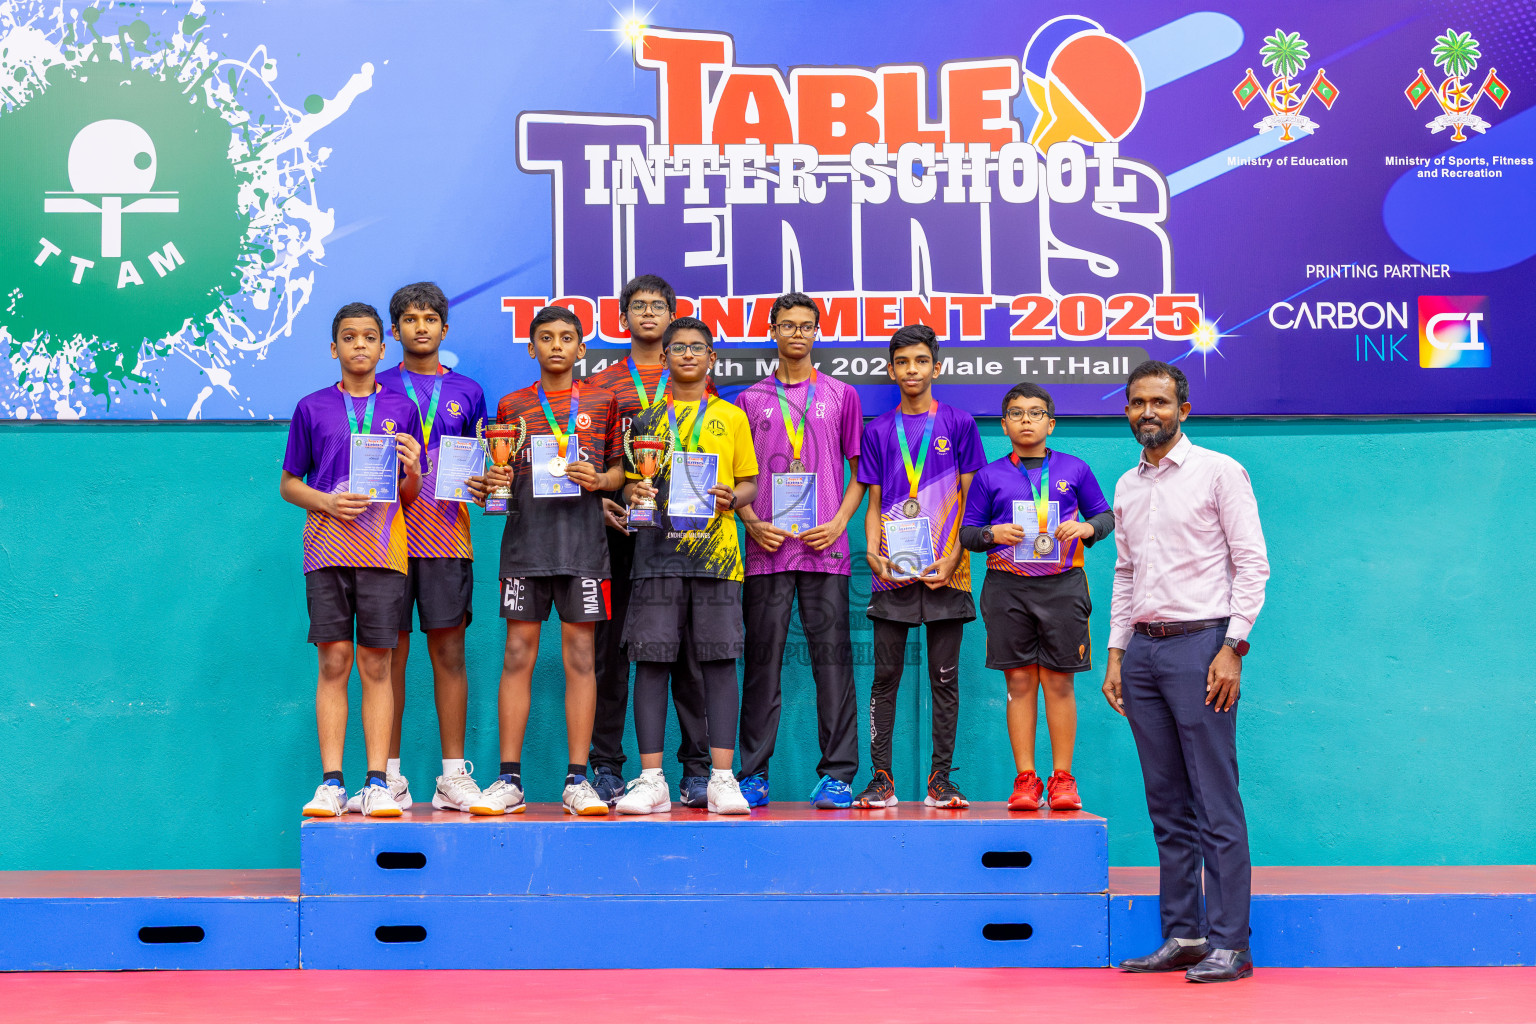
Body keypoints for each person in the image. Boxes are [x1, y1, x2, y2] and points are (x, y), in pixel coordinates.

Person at [1104, 360, 1269, 983]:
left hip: (1203, 646)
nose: (1149, 412)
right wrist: (1117, 654)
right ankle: (1187, 933)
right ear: (1127, 410)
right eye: (1138, 402)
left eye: (1161, 402)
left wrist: (1234, 647)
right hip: (1143, 654)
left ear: (1184, 409)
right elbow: (1124, 575)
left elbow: (1252, 563)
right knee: (1166, 803)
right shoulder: (1127, 484)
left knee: (1213, 801)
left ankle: (1232, 943)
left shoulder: (1218, 472)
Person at [467, 306, 624, 817]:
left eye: (567, 338)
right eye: (545, 338)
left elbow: (622, 469)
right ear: (531, 348)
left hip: (583, 548)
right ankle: (509, 779)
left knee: (581, 658)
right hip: (525, 547)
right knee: (518, 655)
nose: (557, 345)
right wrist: (491, 481)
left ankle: (578, 779)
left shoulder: (604, 401)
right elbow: (500, 471)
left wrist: (601, 481)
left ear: (582, 349)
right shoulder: (512, 405)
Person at [282, 302, 423, 818]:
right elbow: (289, 484)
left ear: (383, 348)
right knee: (335, 660)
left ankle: (378, 782)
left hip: (385, 550)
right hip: (326, 549)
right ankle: (332, 783)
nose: (360, 345)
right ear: (334, 348)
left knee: (377, 664)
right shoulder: (311, 407)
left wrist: (411, 469)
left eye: (369, 337)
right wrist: (327, 501)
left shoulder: (403, 409)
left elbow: (408, 495)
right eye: (349, 336)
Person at [582, 275, 713, 808]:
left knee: (686, 650)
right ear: (623, 318)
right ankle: (607, 765)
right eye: (638, 307)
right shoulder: (604, 384)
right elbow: (591, 459)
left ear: (673, 315)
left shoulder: (694, 379)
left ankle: (697, 767)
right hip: (618, 534)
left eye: (659, 306)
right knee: (609, 650)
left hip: (680, 535)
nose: (649, 314)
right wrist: (599, 502)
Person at [617, 317, 757, 815]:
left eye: (697, 348)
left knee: (719, 663)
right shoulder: (646, 421)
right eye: (678, 348)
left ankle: (721, 778)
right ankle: (651, 779)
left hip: (717, 560)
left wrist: (731, 497)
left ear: (712, 358)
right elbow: (634, 487)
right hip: (657, 557)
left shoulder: (732, 417)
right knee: (652, 663)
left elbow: (750, 484)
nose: (687, 355)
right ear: (665, 357)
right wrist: (632, 490)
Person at [734, 292, 864, 809]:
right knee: (762, 662)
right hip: (767, 549)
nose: (797, 334)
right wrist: (750, 521)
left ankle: (838, 775)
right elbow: (736, 476)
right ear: (772, 330)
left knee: (832, 663)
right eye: (786, 325)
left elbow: (861, 474)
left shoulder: (840, 395)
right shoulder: (748, 400)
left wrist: (838, 523)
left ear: (817, 333)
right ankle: (752, 774)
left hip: (825, 549)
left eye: (806, 326)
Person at [959, 382, 1113, 811]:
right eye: (1017, 413)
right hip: (1008, 587)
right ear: (1004, 424)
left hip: (1063, 585)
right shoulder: (990, 475)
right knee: (1020, 681)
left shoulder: (1074, 469)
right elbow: (969, 534)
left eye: (1035, 412)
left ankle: (1063, 778)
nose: (1026, 420)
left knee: (1060, 683)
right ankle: (1026, 778)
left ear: (1051, 422)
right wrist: (993, 534)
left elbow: (1104, 516)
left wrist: (1087, 528)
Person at [853, 324, 986, 810]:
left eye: (921, 361)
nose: (912, 370)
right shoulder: (879, 430)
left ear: (936, 366)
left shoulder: (959, 424)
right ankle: (881, 779)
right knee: (884, 679)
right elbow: (872, 504)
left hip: (949, 572)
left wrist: (955, 556)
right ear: (891, 370)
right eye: (903, 362)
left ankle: (941, 781)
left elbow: (974, 502)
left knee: (944, 679)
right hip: (894, 571)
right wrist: (871, 552)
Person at [371, 281, 487, 813]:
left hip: (446, 536)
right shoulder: (375, 388)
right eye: (410, 319)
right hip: (383, 540)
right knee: (389, 657)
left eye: (430, 318)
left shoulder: (468, 391)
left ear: (445, 327)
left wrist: (490, 482)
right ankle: (388, 777)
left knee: (449, 653)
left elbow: (484, 464)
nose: (421, 326)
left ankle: (451, 775)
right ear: (394, 332)